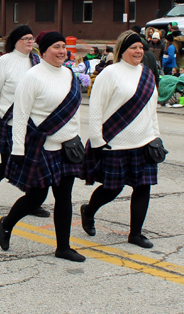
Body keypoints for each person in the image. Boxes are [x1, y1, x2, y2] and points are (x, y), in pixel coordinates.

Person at [0, 31, 85, 262]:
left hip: (67, 147)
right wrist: (17, 148)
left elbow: (75, 112)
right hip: (42, 146)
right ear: (44, 50)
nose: (61, 51)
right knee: (36, 197)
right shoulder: (33, 76)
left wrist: (76, 138)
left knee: (64, 197)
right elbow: (20, 114)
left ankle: (63, 247)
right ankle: (7, 223)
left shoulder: (69, 74)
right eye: (56, 46)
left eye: (64, 46)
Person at [82, 30, 162, 249]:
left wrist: (156, 136)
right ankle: (88, 211)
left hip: (144, 142)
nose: (138, 51)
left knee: (143, 187)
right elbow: (96, 109)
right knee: (112, 189)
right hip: (114, 142)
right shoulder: (110, 73)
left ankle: (135, 234)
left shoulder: (146, 73)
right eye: (133, 47)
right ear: (122, 50)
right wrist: (97, 140)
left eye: (141, 47)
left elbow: (150, 109)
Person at [0, 25, 49, 218]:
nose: (30, 41)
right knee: (8, 164)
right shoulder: (5, 61)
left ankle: (32, 201)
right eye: (26, 38)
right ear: (16, 41)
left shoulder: (37, 61)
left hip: (31, 123)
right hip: (8, 121)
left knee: (34, 163)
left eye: (32, 38)